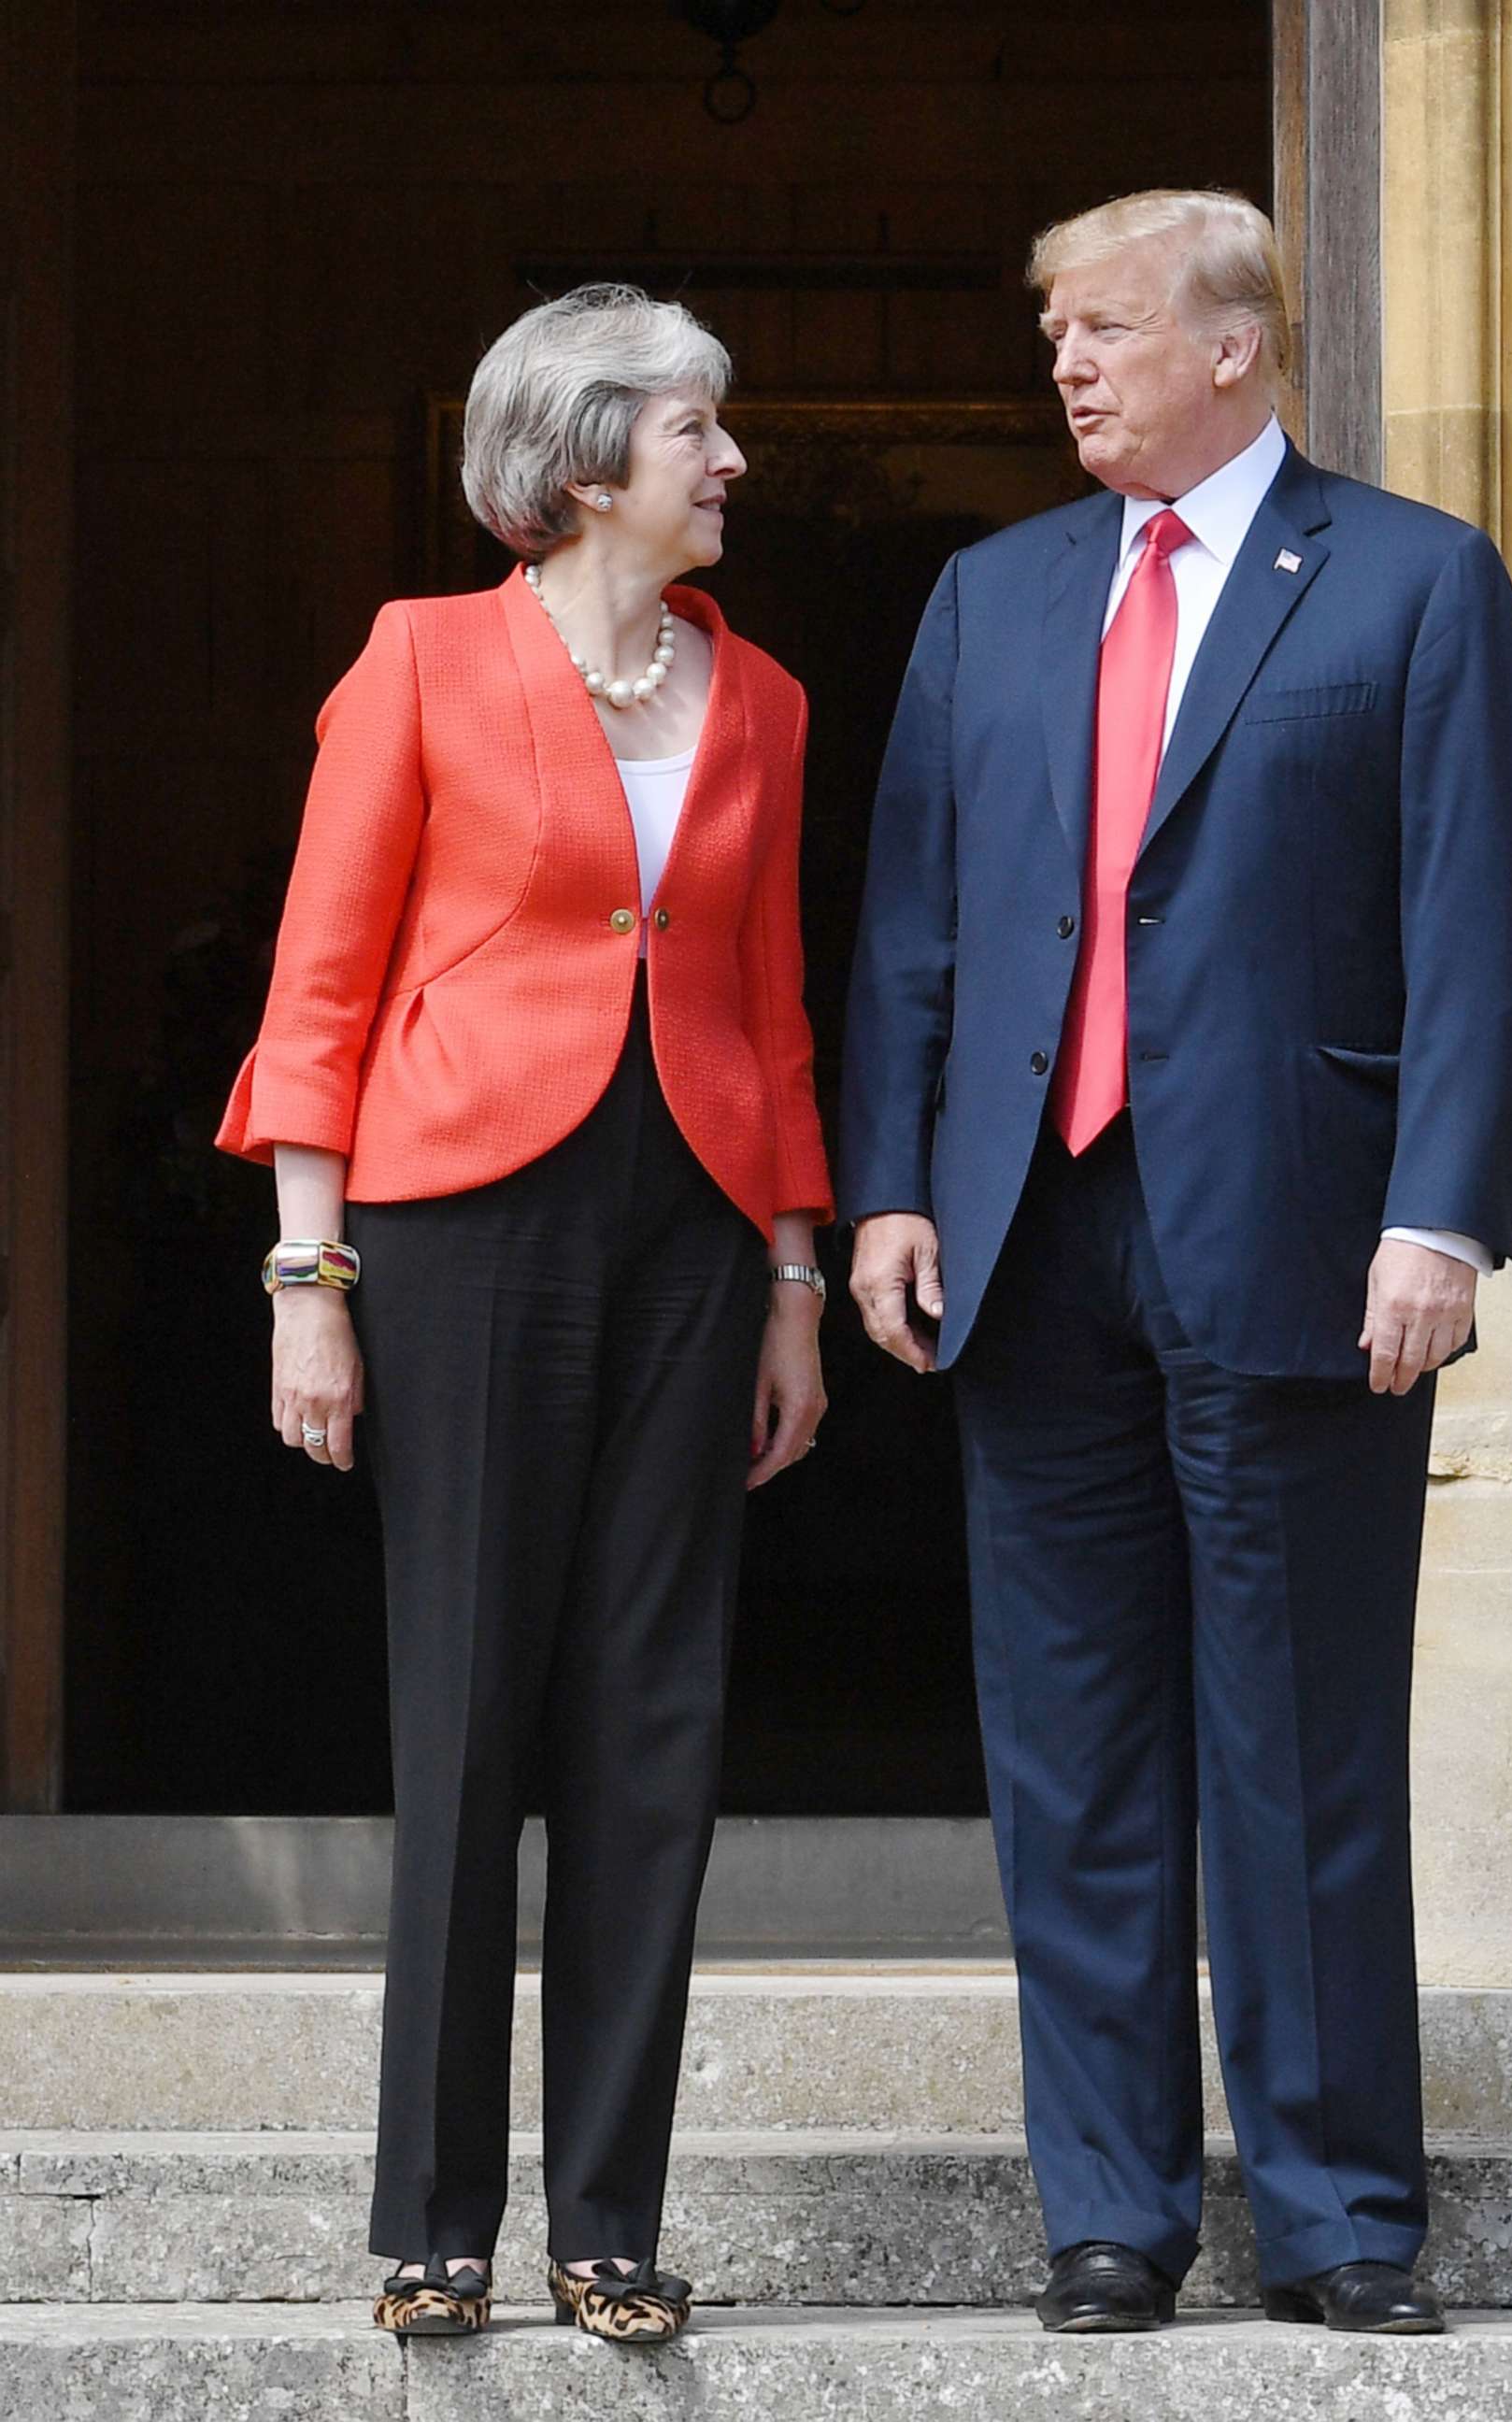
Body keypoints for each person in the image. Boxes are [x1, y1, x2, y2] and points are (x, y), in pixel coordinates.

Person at [839, 190, 1512, 2337]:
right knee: (1066, 1750)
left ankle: (1338, 2218)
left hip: (1304, 1238)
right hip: (1028, 1243)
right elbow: (910, 927)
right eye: (1051, 327)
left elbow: (1478, 929)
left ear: (1233, 347)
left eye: (1104, 327)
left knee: (1300, 1741)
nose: (1064, 361)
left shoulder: (1414, 580)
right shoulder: (991, 595)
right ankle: (1111, 2215)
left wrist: (1438, 1214)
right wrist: (891, 1186)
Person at [217, 284, 832, 2343]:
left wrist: (792, 1281)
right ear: (580, 464)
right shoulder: (419, 659)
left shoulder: (760, 698)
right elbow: (322, 982)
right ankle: (430, 2228)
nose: (729, 460)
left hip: (692, 1228)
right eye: (694, 430)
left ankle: (609, 2226)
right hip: (462, 1221)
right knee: (469, 1710)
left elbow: (767, 1007)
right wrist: (312, 1283)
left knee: (652, 1726)